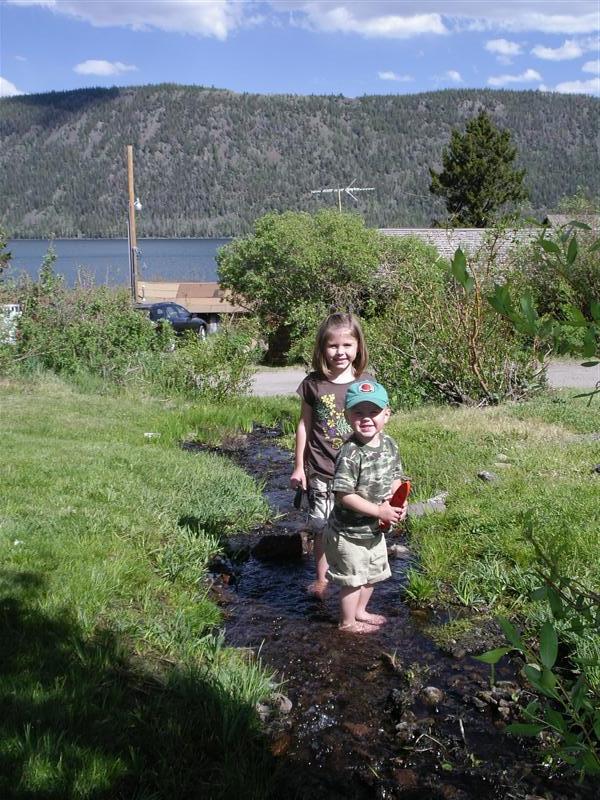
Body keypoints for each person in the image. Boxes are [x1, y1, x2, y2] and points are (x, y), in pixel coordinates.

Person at [290, 312, 370, 595]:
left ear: (358, 347)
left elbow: (377, 425)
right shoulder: (313, 384)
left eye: (347, 345)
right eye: (333, 346)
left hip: (355, 472)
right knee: (321, 526)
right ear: (322, 348)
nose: (340, 352)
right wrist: (299, 467)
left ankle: (355, 576)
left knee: (355, 524)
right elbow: (304, 425)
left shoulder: (365, 383)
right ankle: (322, 578)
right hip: (320, 469)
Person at [324, 379, 407, 633]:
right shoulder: (350, 452)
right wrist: (378, 511)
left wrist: (399, 503)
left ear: (387, 415)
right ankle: (347, 622)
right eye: (358, 412)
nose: (366, 418)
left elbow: (396, 478)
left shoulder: (390, 444)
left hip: (374, 530)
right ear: (348, 416)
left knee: (372, 574)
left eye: (374, 412)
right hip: (348, 533)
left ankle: (361, 611)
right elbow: (343, 494)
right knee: (352, 580)